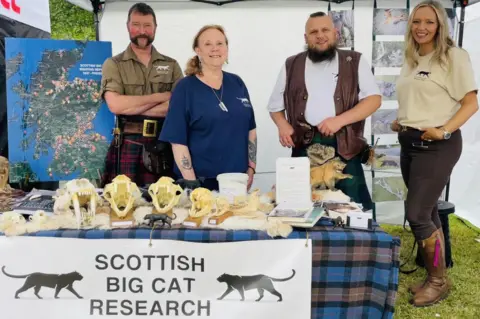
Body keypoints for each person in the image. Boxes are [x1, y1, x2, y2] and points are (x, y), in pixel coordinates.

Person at [391, 0, 478, 307]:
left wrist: (444, 130)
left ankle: (437, 281)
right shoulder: (411, 57)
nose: (422, 28)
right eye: (416, 22)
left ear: (440, 25)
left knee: (416, 214)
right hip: (409, 142)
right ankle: (435, 274)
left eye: (429, 22)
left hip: (437, 145)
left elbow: (470, 102)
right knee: (427, 213)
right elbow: (420, 98)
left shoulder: (454, 56)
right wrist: (404, 119)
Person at [267, 11, 381, 210]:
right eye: (314, 32)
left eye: (325, 30)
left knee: (353, 213)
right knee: (302, 209)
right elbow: (275, 107)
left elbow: (374, 100)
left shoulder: (354, 61)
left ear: (335, 33)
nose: (320, 35)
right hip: (304, 149)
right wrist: (282, 125)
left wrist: (339, 120)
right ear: (306, 37)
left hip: (346, 149)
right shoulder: (291, 64)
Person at [159, 25, 257, 191]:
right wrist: (191, 183)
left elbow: (251, 129)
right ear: (198, 50)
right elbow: (177, 140)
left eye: (220, 43)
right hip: (201, 183)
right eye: (208, 44)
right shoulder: (185, 88)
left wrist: (251, 167)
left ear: (226, 48)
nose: (215, 49)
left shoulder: (237, 83)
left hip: (237, 180)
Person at [99, 2, 183, 187]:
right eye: (136, 25)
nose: (142, 30)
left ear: (155, 27)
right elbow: (115, 106)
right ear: (128, 26)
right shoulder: (114, 64)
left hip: (165, 144)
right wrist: (161, 96)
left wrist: (132, 107)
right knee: (123, 204)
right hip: (128, 143)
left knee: (165, 204)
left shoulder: (172, 65)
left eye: (147, 25)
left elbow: (179, 107)